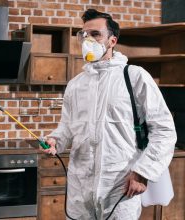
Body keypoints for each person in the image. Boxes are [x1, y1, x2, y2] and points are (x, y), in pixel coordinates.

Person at [41, 9, 177, 220]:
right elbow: (67, 126)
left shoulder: (134, 77)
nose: (88, 39)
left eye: (95, 34)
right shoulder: (76, 85)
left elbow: (164, 130)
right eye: (84, 35)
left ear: (112, 41)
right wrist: (56, 140)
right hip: (80, 188)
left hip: (119, 186)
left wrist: (143, 172)